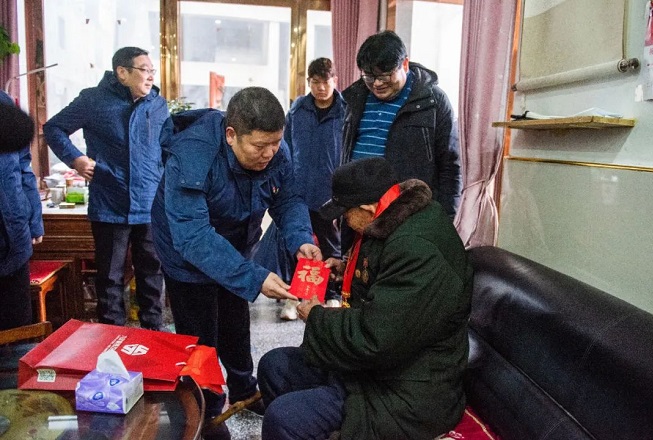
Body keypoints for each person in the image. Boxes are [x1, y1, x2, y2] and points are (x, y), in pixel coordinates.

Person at [258, 157, 473, 440]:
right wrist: (345, 270)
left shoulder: (417, 248)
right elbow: (386, 284)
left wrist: (317, 316)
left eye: (345, 213)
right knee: (274, 366)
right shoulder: (392, 217)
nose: (343, 221)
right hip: (378, 368)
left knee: (284, 419)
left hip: (409, 389)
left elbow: (375, 338)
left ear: (368, 208)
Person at [151, 86, 322, 438]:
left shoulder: (274, 151)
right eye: (260, 146)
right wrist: (254, 276)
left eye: (275, 143)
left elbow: (288, 199)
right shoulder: (193, 154)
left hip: (235, 243)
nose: (269, 153)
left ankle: (244, 389)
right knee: (200, 336)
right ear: (231, 135)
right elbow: (193, 236)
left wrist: (301, 239)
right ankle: (207, 410)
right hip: (187, 250)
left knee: (235, 318)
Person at [43, 47, 169, 330]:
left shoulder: (157, 104)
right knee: (110, 277)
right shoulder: (93, 100)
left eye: (152, 71)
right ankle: (111, 335)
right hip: (111, 202)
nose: (151, 76)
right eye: (144, 70)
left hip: (150, 203)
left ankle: (154, 333)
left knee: (152, 273)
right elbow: (54, 128)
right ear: (122, 72)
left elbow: (165, 147)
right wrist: (76, 159)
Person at [342, 30, 461, 219]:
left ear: (404, 64)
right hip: (358, 211)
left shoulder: (433, 101)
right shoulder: (353, 97)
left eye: (384, 76)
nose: (377, 84)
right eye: (369, 77)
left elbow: (450, 167)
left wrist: (445, 218)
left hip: (407, 213)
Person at [277, 57, 346, 320]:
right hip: (299, 191)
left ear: (335, 81)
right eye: (315, 82)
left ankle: (332, 295)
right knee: (298, 246)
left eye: (325, 81)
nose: (321, 87)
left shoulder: (346, 111)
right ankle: (295, 298)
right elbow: (285, 148)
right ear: (309, 82)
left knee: (331, 247)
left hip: (331, 193)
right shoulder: (297, 110)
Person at [0, 90, 43, 330]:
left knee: (19, 328)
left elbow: (24, 168)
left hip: (15, 235)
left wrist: (34, 220)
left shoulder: (4, 102)